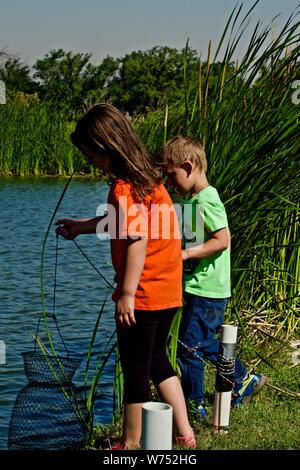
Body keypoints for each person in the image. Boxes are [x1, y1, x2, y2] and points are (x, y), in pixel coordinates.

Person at [56, 104, 196, 449]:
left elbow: (136, 238)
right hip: (168, 291)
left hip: (145, 293)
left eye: (90, 154)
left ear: (107, 147)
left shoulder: (123, 187)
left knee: (134, 367)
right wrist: (82, 227)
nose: (89, 160)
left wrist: (128, 294)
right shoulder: (150, 180)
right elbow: (121, 224)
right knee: (157, 361)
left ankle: (130, 443)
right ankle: (186, 434)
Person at [160, 135, 266, 421]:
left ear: (188, 166)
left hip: (209, 290)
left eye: (171, 175)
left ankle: (207, 397)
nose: (169, 182)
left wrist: (186, 255)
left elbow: (222, 239)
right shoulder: (193, 200)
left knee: (190, 345)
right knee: (193, 344)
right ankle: (237, 382)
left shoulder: (208, 198)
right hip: (198, 287)